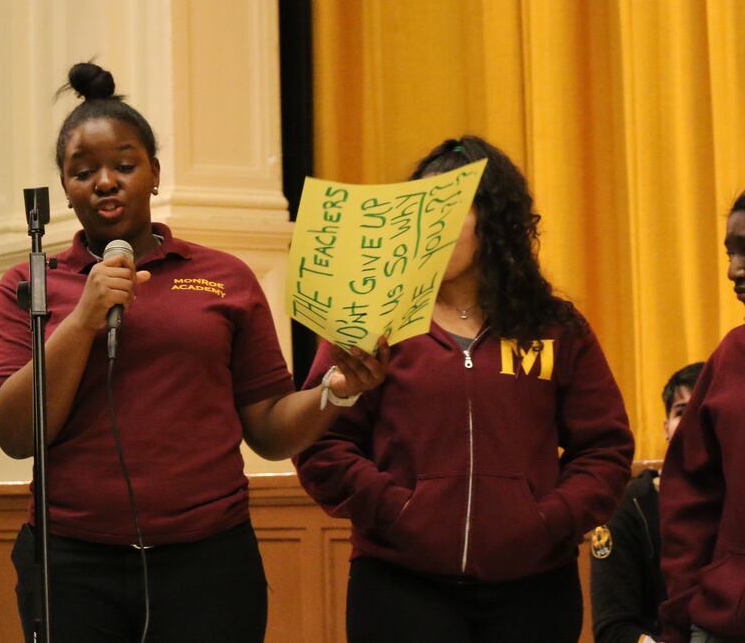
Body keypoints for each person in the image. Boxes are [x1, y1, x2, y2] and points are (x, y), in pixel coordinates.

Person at [0, 63, 386, 643]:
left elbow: (269, 431)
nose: (105, 182)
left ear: (154, 175)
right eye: (83, 171)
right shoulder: (31, 286)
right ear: (64, 189)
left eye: (124, 165)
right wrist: (82, 318)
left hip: (207, 562)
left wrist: (334, 393)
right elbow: (15, 435)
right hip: (72, 565)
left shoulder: (225, 277)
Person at [294, 135, 634, 643]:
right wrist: (397, 510)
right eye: (422, 213)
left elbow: (605, 449)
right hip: (400, 587)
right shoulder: (370, 320)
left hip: (534, 589)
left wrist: (547, 521)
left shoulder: (555, 327)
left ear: (494, 225)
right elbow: (321, 444)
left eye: (449, 212)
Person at [658, 191, 745, 643]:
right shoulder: (731, 356)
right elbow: (691, 497)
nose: (734, 269)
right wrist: (688, 608)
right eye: (730, 252)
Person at [591, 362, 702, 643]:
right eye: (681, 411)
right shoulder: (630, 506)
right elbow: (613, 627)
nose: (692, 421)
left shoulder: (736, 500)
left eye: (704, 409)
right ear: (666, 428)